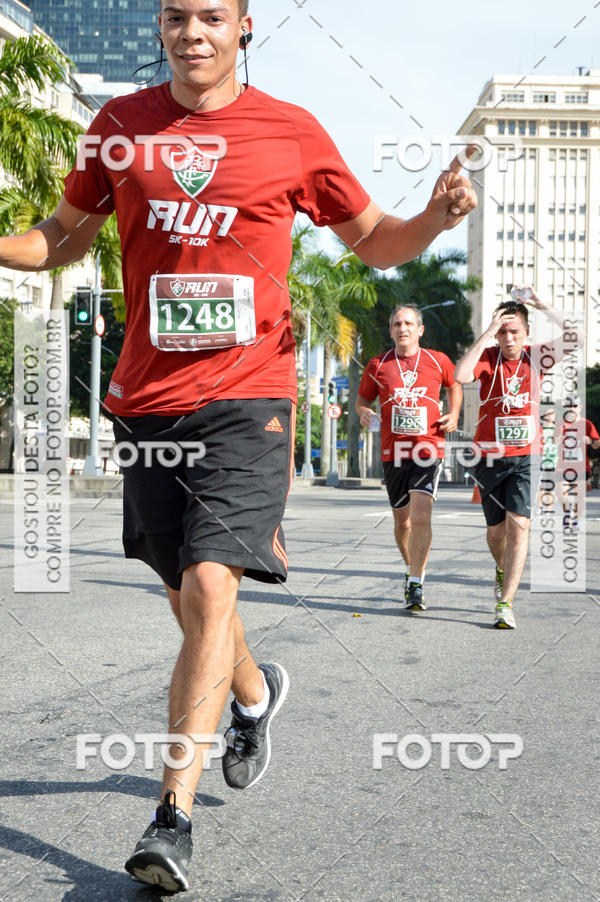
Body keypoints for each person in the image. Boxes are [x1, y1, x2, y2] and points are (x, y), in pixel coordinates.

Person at [0, 0, 477, 891]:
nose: (193, 32)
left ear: (245, 27)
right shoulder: (118, 128)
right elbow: (61, 236)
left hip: (248, 399)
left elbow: (372, 241)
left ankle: (169, 818)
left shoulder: (290, 132)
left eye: (211, 16)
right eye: (176, 16)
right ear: (160, 29)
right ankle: (255, 696)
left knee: (214, 583)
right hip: (146, 399)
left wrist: (436, 220)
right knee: (190, 594)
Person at [454, 288, 566, 629]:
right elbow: (460, 375)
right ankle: (502, 568)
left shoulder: (537, 357)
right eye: (503, 330)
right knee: (496, 532)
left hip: (526, 455)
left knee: (520, 527)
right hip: (488, 456)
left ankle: (506, 603)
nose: (508, 337)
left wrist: (542, 304)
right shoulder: (488, 356)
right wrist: (488, 330)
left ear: (526, 332)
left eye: (514, 330)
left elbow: (579, 336)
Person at [356, 305, 462, 612]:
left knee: (420, 516)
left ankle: (416, 583)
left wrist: (454, 413)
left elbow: (454, 385)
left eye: (408, 323)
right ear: (391, 331)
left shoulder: (437, 360)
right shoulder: (378, 364)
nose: (403, 328)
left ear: (420, 329)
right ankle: (412, 567)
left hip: (428, 447)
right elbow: (362, 399)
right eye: (397, 324)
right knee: (402, 522)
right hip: (393, 451)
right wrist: (365, 413)